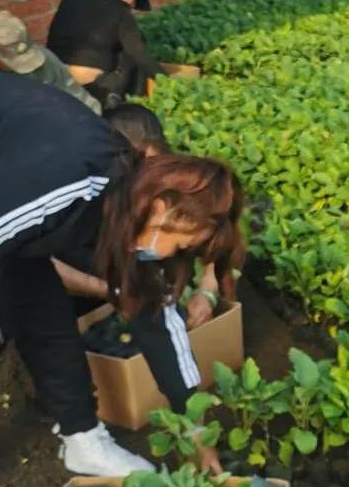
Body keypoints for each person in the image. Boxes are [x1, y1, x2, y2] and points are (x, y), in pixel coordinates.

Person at [0, 69, 243, 487]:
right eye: (179, 242)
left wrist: (194, 423)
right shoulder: (66, 178)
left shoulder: (122, 206)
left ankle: (81, 436)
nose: (170, 254)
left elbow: (155, 315)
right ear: (160, 207)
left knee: (42, 304)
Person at [53, 103, 222, 331]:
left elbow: (217, 237)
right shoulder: (77, 195)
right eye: (135, 166)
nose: (145, 179)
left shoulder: (173, 182)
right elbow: (38, 265)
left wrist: (207, 291)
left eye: (153, 166)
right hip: (85, 293)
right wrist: (109, 291)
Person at [47, 0, 165, 108]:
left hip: (57, 80)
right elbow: (139, 54)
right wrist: (168, 82)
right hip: (95, 87)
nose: (133, 4)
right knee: (132, 59)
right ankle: (130, 109)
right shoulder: (118, 8)